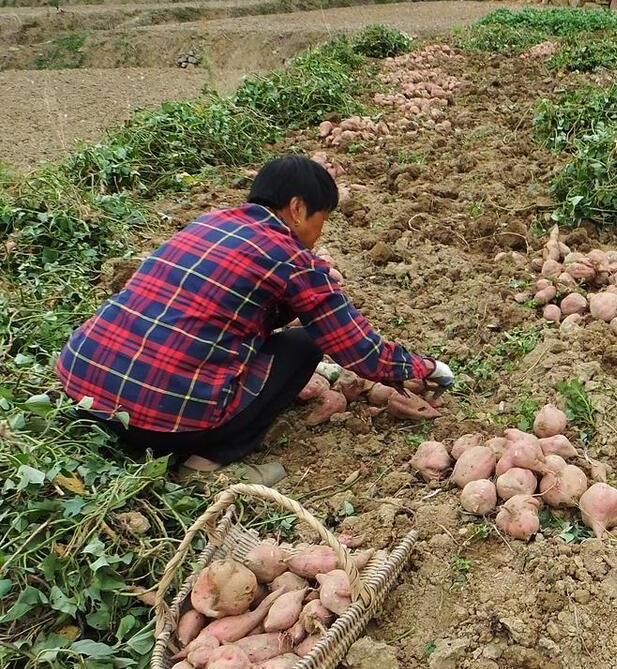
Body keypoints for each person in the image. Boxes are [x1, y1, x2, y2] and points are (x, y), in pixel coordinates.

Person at [55, 155, 453, 484]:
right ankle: (209, 462)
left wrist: (298, 298)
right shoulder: (291, 258)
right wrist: (429, 368)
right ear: (297, 208)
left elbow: (232, 307)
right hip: (161, 425)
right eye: (322, 219)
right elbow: (361, 353)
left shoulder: (207, 223)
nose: (319, 233)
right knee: (308, 342)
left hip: (82, 395)